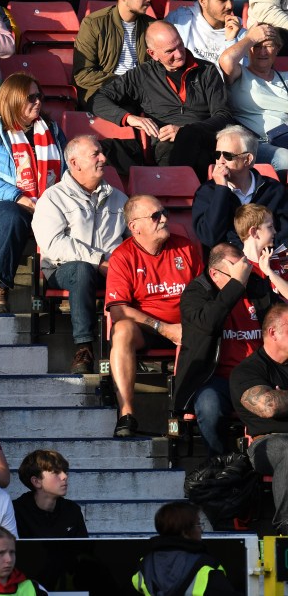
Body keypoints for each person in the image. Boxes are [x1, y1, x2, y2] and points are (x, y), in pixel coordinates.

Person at [0, 72, 66, 314]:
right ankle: (0, 288)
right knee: (11, 214)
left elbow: (69, 167)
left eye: (39, 95)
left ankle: (64, 287)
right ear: (12, 100)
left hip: (46, 201)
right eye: (30, 97)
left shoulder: (51, 129)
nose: (38, 102)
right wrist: (18, 197)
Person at [106, 194, 203, 437]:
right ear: (134, 227)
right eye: (155, 216)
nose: (164, 219)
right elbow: (118, 310)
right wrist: (163, 328)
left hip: (187, 327)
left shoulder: (186, 248)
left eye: (164, 213)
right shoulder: (122, 256)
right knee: (122, 329)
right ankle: (127, 413)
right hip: (148, 330)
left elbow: (205, 294)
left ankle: (187, 413)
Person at [32, 135, 129, 374]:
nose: (104, 158)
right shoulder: (53, 197)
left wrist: (119, 262)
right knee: (82, 269)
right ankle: (84, 348)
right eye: (95, 154)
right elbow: (54, 244)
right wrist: (99, 260)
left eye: (102, 153)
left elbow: (131, 241)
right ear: (75, 163)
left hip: (111, 268)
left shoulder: (119, 198)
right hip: (62, 268)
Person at [92, 21, 233, 181]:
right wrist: (129, 118)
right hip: (163, 146)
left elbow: (223, 114)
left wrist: (185, 130)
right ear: (153, 54)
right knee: (93, 149)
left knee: (194, 142)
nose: (179, 54)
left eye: (180, 45)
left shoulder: (207, 71)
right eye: (170, 51)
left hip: (203, 140)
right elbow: (98, 99)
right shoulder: (141, 75)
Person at [174, 242, 274, 457]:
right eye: (236, 275)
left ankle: (262, 462)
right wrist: (235, 286)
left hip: (256, 376)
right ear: (214, 274)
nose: (243, 281)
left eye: (244, 273)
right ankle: (218, 463)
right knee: (209, 407)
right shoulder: (196, 293)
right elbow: (209, 324)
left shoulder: (257, 287)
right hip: (216, 378)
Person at [229, 302, 288, 533]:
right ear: (273, 332)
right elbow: (268, 406)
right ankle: (286, 525)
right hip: (268, 443)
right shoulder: (248, 370)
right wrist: (276, 398)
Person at [193, 125, 288, 250]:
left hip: (269, 261)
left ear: (247, 159)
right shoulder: (206, 192)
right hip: (229, 266)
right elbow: (209, 237)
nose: (220, 161)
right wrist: (221, 189)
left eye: (227, 155)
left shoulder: (273, 190)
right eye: (217, 154)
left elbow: (285, 235)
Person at [219, 25, 288, 177]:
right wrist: (250, 38)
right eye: (256, 46)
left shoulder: (285, 77)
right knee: (284, 158)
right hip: (256, 144)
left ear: (277, 49)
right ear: (248, 49)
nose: (262, 52)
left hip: (285, 138)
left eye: (268, 46)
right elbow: (226, 60)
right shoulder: (239, 74)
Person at [73, 0, 154, 111]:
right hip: (105, 92)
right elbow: (82, 74)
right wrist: (125, 82)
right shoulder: (93, 23)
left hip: (142, 93)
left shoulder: (153, 26)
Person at [131, 501, 239, 595]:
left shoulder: (145, 565)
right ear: (186, 532)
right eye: (198, 525)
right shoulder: (205, 566)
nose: (201, 530)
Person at [11, 449, 88, 538]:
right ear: (36, 481)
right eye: (56, 472)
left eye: (65, 471)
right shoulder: (16, 512)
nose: (65, 476)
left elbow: (84, 549)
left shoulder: (72, 510)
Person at [164, 0, 245, 63]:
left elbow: (240, 73)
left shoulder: (241, 34)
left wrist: (231, 41)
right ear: (202, 1)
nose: (230, 6)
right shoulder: (178, 21)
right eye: (222, 0)